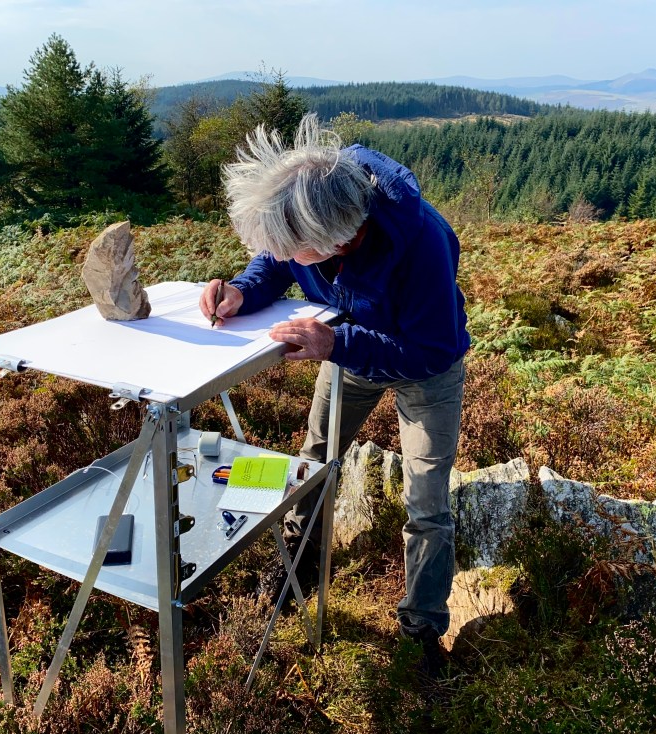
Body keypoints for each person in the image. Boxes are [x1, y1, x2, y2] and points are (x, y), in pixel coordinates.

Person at [200, 113, 469, 677]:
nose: (285, 255)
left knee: (427, 501)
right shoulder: (306, 213)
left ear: (337, 241)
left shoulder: (422, 244)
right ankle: (298, 568)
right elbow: (271, 265)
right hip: (346, 351)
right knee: (312, 462)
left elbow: (432, 348)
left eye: (295, 249)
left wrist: (334, 341)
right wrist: (241, 296)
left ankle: (420, 629)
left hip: (424, 372)